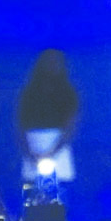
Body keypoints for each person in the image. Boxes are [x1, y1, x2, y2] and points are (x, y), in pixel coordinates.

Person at [17, 49, 79, 183]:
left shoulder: (68, 92)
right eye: (49, 62)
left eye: (56, 62)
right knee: (32, 193)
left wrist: (53, 152)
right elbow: (20, 124)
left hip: (58, 144)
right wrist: (29, 152)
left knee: (60, 191)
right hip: (33, 143)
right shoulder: (29, 92)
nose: (52, 66)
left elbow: (71, 125)